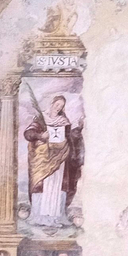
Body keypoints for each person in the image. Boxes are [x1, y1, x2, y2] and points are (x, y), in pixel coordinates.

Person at [25, 94, 84, 226]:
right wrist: (40, 135)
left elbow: (70, 137)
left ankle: (56, 216)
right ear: (51, 104)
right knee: (43, 185)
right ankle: (40, 217)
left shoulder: (63, 121)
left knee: (57, 186)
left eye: (61, 106)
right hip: (42, 160)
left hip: (60, 160)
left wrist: (79, 128)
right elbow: (28, 134)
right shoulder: (41, 119)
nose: (58, 108)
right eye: (57, 105)